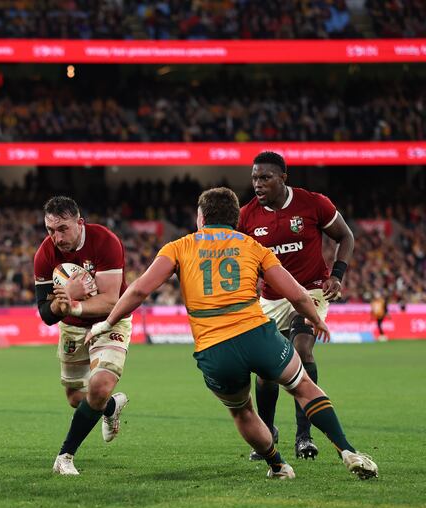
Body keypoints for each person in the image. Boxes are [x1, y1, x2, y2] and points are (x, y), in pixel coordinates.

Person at [88, 187, 377, 480]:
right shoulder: (253, 246)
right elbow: (298, 295)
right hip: (257, 335)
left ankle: (277, 465)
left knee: (243, 412)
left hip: (215, 348)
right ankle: (348, 451)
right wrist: (318, 320)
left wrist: (108, 322)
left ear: (201, 217)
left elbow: (138, 290)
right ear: (236, 218)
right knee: (303, 386)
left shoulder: (178, 247)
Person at [238, 151, 355, 461]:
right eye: (254, 178)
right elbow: (239, 259)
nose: (258, 184)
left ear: (283, 178)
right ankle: (268, 433)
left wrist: (337, 276)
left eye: (265, 177)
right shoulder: (247, 215)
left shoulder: (313, 203)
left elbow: (345, 236)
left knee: (301, 352)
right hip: (270, 298)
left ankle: (304, 437)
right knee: (265, 371)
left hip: (311, 290)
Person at [33, 196, 131, 476]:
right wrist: (63, 303)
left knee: (98, 387)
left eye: (62, 228)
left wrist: (73, 303)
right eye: (50, 230)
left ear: (79, 222)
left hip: (111, 322)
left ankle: (65, 456)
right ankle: (112, 406)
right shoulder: (45, 254)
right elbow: (46, 314)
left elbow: (112, 300)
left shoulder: (105, 242)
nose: (56, 237)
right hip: (73, 327)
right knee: (77, 397)